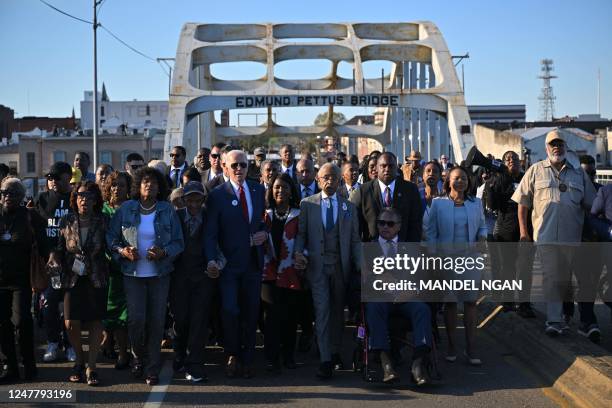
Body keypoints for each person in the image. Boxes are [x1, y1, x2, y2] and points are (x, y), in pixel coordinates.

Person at [512, 129, 596, 336]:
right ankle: (554, 321)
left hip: (572, 236)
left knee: (568, 280)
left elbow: (591, 205)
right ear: (546, 148)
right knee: (552, 277)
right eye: (552, 144)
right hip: (545, 235)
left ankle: (572, 318)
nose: (556, 147)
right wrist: (524, 232)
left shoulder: (579, 174)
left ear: (566, 147)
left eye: (560, 144)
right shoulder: (535, 170)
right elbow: (522, 204)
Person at [107, 167, 184, 385]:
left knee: (157, 321)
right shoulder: (127, 209)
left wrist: (164, 252)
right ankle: (137, 357)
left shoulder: (167, 210)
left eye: (154, 183)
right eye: (145, 182)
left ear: (160, 188)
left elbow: (179, 242)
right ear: (138, 186)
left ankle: (152, 367)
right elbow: (111, 238)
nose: (149, 185)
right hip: (132, 274)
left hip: (159, 275)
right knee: (137, 320)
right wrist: (123, 251)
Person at [294, 163, 361, 379]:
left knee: (337, 312)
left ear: (340, 180)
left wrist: (361, 266)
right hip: (317, 267)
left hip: (340, 267)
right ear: (318, 180)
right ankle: (325, 359)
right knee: (321, 311)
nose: (329, 181)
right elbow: (301, 234)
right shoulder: (308, 204)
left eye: (333, 177)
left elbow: (354, 240)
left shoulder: (348, 207)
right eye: (325, 178)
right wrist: (299, 253)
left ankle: (334, 350)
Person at [205, 150, 267, 379]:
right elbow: (211, 233)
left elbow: (260, 221)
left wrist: (263, 233)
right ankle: (232, 352)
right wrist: (211, 259)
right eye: (235, 165)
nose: (239, 169)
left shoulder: (258, 189)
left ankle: (248, 357)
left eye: (243, 165)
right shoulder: (217, 194)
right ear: (224, 167)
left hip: (252, 264)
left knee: (252, 313)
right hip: (229, 266)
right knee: (230, 310)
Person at [48, 180, 108, 386]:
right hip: (72, 277)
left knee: (94, 322)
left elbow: (110, 247)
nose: (84, 199)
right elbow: (58, 246)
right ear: (75, 198)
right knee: (70, 322)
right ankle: (79, 361)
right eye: (81, 195)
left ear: (95, 200)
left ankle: (92, 367)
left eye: (89, 196)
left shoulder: (103, 220)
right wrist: (53, 256)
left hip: (96, 277)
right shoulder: (66, 220)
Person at [425, 166, 487, 365]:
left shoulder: (476, 203)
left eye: (464, 179)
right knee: (451, 303)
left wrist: (483, 237)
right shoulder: (438, 203)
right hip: (447, 260)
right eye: (456, 178)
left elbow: (483, 224)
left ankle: (471, 347)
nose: (460, 182)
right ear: (448, 181)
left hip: (470, 258)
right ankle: (452, 345)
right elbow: (430, 231)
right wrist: (434, 255)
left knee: (470, 303)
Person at [365, 208, 433, 385]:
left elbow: (421, 277)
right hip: (380, 298)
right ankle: (386, 364)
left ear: (399, 227)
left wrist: (410, 291)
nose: (385, 227)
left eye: (390, 223)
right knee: (373, 306)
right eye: (381, 223)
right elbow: (361, 279)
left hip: (406, 297)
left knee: (422, 309)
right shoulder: (368, 248)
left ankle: (418, 364)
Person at [0, 178, 47, 383]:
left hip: (22, 280)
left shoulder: (30, 216)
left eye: (12, 193)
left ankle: (29, 365)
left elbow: (45, 245)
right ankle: (10, 366)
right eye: (3, 192)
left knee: (22, 322)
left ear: (20, 197)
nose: (7, 197)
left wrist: (50, 260)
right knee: (2, 324)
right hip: (0, 280)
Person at [171, 181, 217, 383]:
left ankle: (195, 364)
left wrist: (217, 265)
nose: (194, 204)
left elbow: (218, 244)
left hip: (203, 276)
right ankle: (180, 354)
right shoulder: (176, 217)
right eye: (190, 199)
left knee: (199, 321)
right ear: (183, 200)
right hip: (179, 276)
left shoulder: (210, 218)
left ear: (204, 200)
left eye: (198, 199)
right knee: (181, 319)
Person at [261, 173, 303, 372]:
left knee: (290, 317)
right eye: (277, 187)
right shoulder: (265, 214)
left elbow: (306, 241)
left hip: (291, 273)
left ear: (291, 191)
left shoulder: (298, 214)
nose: (280, 191)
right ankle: (271, 357)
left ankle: (288, 355)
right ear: (271, 190)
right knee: (271, 316)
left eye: (285, 188)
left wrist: (303, 256)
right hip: (267, 273)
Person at [35, 162, 76, 363]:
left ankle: (70, 344)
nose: (52, 181)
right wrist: (48, 255)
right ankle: (52, 342)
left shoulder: (75, 198)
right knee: (50, 303)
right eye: (49, 177)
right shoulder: (41, 199)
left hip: (71, 263)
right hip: (50, 265)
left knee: (69, 306)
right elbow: (36, 230)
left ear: (68, 177)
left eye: (57, 177)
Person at [486, 151, 536, 317]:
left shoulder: (527, 177)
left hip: (526, 229)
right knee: (507, 267)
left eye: (514, 158)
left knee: (525, 268)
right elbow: (492, 206)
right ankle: (507, 301)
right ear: (504, 162)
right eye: (507, 158)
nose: (511, 161)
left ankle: (524, 303)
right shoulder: (500, 179)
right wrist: (490, 186)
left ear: (519, 161)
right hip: (506, 230)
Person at [350, 152, 423, 243]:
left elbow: (415, 224)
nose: (387, 169)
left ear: (396, 168)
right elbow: (354, 225)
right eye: (383, 166)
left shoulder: (410, 190)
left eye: (391, 166)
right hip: (371, 250)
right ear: (377, 168)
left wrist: (411, 249)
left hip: (402, 250)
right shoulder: (363, 191)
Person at [100, 171, 132, 370]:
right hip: (105, 268)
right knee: (107, 310)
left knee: (123, 314)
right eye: (113, 185)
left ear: (128, 188)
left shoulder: (132, 208)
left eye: (121, 185)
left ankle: (123, 353)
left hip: (127, 266)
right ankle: (107, 341)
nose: (116, 189)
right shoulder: (102, 209)